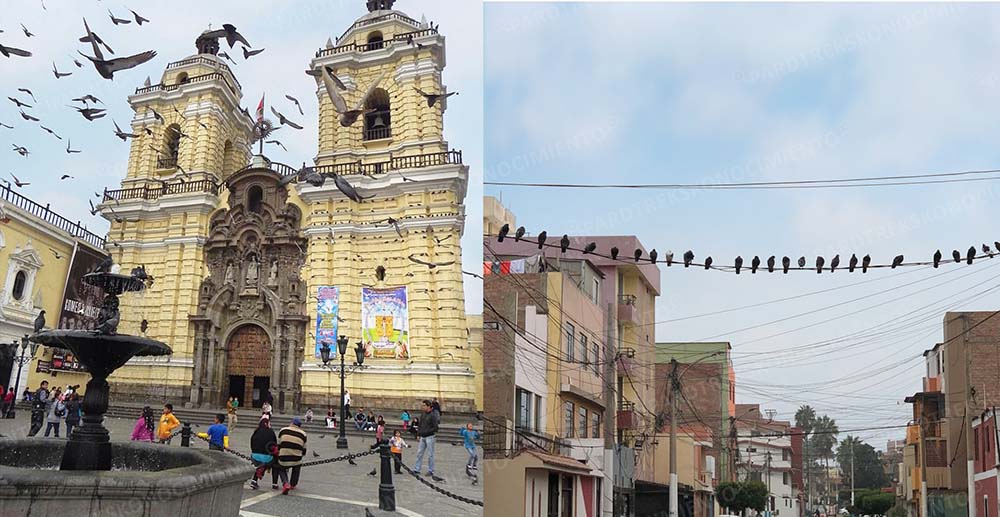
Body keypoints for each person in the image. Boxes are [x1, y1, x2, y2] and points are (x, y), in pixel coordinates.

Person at [276, 417, 307, 495]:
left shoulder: (283, 430)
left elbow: (279, 444)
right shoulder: (303, 434)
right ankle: (293, 484)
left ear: (292, 423)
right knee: (297, 466)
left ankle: (286, 483)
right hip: (296, 458)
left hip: (283, 457)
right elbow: (304, 450)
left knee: (281, 468)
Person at [412, 399, 440, 479]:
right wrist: (418, 434)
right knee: (419, 453)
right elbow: (420, 424)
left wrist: (426, 432)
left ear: (428, 406)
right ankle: (417, 469)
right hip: (423, 437)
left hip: (430, 437)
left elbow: (436, 428)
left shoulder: (433, 415)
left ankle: (431, 470)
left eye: (424, 405)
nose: (422, 407)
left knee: (430, 454)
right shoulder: (423, 414)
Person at [249, 416, 277, 490]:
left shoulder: (256, 431)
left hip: (254, 457)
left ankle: (254, 481)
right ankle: (275, 483)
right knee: (274, 462)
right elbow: (274, 444)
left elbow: (251, 444)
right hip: (267, 458)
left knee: (259, 464)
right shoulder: (271, 432)